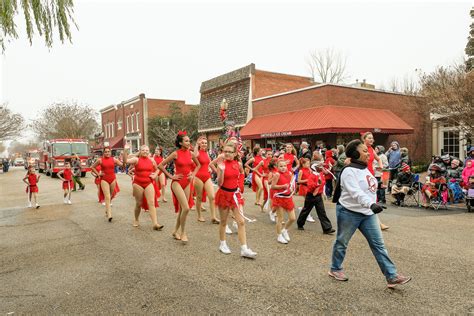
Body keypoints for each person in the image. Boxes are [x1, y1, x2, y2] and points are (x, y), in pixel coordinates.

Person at [329, 139, 411, 288]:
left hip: (368, 213)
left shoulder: (364, 168)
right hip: (349, 212)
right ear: (355, 153)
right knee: (342, 242)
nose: (369, 153)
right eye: (365, 151)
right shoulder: (349, 171)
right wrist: (371, 204)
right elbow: (355, 192)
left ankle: (391, 276)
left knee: (379, 245)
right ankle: (335, 268)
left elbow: (368, 188)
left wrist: (374, 200)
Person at [215, 142, 257, 258]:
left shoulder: (238, 164)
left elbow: (242, 173)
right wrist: (222, 171)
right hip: (224, 194)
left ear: (235, 154)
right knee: (223, 222)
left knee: (241, 221)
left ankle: (244, 248)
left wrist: (240, 185)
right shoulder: (220, 164)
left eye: (230, 152)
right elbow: (219, 183)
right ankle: (222, 243)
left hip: (235, 195)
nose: (227, 154)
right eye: (225, 151)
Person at [158, 131, 200, 244]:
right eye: (186, 141)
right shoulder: (175, 153)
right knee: (186, 208)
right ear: (181, 143)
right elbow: (160, 165)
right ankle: (183, 232)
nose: (189, 142)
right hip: (177, 183)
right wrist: (171, 176)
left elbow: (198, 165)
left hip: (187, 182)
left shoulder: (191, 153)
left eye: (189, 140)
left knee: (183, 209)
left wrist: (193, 174)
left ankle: (175, 231)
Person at [123, 144, 163, 230]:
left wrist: (155, 174)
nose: (145, 151)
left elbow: (158, 168)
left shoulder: (152, 160)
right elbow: (126, 161)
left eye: (147, 150)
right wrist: (125, 151)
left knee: (151, 203)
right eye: (143, 150)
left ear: (149, 152)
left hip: (148, 183)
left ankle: (155, 223)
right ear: (140, 151)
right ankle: (136, 219)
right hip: (138, 184)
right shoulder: (136, 159)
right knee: (139, 203)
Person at [296, 161, 335, 233]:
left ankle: (327, 228)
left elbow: (323, 182)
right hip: (311, 195)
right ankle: (300, 223)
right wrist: (317, 185)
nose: (321, 167)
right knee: (306, 210)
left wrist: (319, 186)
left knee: (322, 211)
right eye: (319, 166)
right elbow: (310, 186)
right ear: (314, 167)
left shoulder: (320, 174)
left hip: (318, 195)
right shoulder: (312, 175)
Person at [361, 132, 389, 230]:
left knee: (370, 199)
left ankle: (364, 222)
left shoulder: (371, 149)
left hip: (371, 176)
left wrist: (380, 166)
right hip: (363, 176)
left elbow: (378, 159)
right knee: (370, 199)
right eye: (369, 138)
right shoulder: (361, 148)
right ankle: (378, 224)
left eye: (372, 138)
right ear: (364, 139)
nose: (372, 140)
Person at [91, 147, 123, 222]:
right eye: (106, 152)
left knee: (110, 196)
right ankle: (109, 215)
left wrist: (125, 158)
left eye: (108, 152)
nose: (107, 153)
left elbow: (122, 165)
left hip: (113, 179)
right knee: (107, 197)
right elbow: (92, 167)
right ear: (103, 153)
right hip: (104, 179)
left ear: (110, 152)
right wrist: (98, 174)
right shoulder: (100, 160)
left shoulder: (114, 159)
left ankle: (107, 210)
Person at [193, 136, 220, 224]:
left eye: (205, 143)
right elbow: (194, 155)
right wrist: (197, 144)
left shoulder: (207, 153)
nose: (204, 144)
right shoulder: (197, 153)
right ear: (200, 144)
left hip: (207, 176)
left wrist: (217, 172)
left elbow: (210, 163)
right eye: (202, 143)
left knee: (212, 197)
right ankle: (199, 216)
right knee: (199, 197)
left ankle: (213, 217)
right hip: (198, 177)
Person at [271, 159, 297, 244]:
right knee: (280, 218)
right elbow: (273, 186)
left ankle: (284, 230)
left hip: (288, 197)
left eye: (284, 166)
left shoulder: (289, 174)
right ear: (277, 167)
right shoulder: (277, 174)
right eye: (281, 166)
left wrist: (292, 187)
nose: (283, 168)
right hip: (279, 198)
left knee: (292, 218)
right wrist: (282, 186)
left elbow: (290, 184)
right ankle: (279, 236)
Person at [244, 146, 265, 210]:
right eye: (261, 151)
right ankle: (258, 200)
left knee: (258, 188)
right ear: (257, 152)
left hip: (261, 174)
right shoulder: (253, 158)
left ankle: (256, 201)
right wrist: (251, 169)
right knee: (261, 187)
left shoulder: (263, 158)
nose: (262, 152)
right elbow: (246, 164)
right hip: (255, 173)